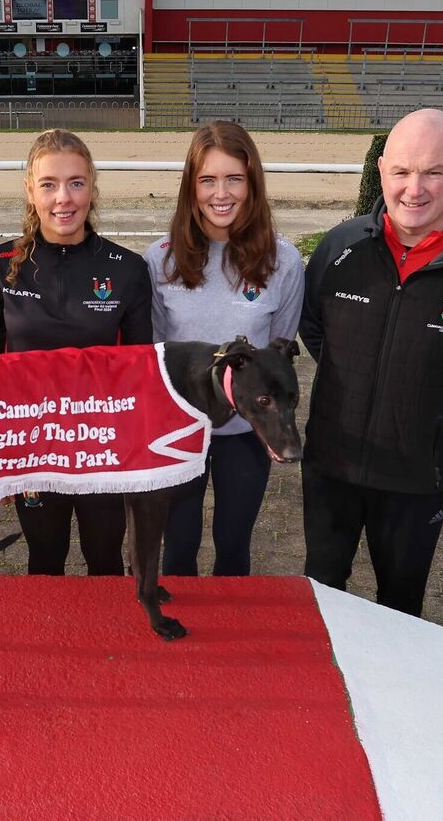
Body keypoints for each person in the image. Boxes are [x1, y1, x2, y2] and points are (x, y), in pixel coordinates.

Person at [300, 108, 443, 616]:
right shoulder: (340, 247)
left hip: (418, 478)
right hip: (331, 465)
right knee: (320, 598)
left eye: (433, 172)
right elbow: (314, 327)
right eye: (402, 171)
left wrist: (434, 395)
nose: (414, 188)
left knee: (400, 608)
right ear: (381, 169)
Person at [0, 128, 152, 576]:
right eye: (49, 184)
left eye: (76, 183)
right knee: (46, 557)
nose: (63, 199)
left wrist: (135, 454)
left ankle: (110, 644)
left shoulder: (128, 269)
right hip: (33, 451)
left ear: (92, 188)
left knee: (106, 558)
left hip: (102, 449)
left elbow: (140, 371)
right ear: (30, 191)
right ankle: (50, 644)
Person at [143, 121, 304, 576]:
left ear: (252, 184)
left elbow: (279, 353)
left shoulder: (284, 262)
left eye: (234, 178)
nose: (221, 193)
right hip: (179, 435)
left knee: (233, 548)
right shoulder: (159, 260)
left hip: (245, 438)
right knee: (177, 550)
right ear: (191, 187)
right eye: (208, 180)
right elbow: (155, 358)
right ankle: (179, 637)